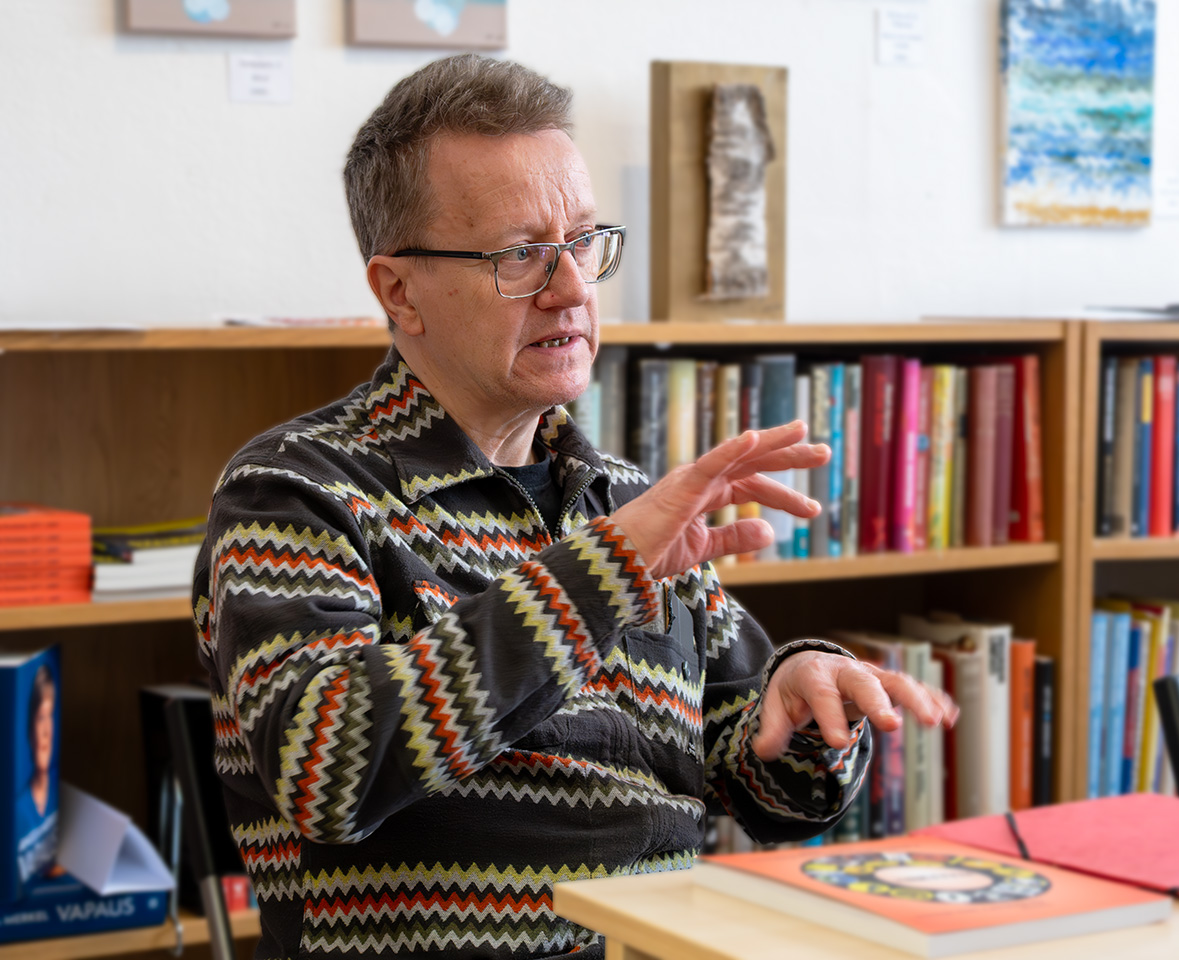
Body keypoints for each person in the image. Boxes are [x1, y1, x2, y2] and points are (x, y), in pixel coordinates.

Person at [192, 54, 956, 960]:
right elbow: (326, 773)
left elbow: (770, 796)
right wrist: (602, 573)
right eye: (520, 255)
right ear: (399, 291)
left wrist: (804, 710)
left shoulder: (623, 499)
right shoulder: (291, 490)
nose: (571, 290)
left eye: (583, 241)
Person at [16, 663, 58, 889]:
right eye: (40, 717)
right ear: (29, 730)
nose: (46, 732)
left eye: (50, 716)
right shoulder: (16, 813)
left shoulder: (60, 792)